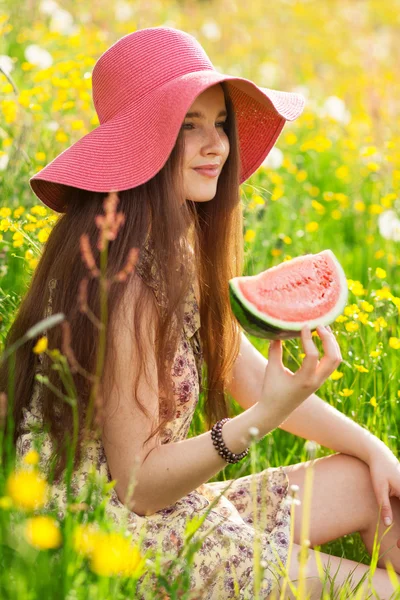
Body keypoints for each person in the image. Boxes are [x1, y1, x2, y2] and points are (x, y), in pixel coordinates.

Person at [1, 26, 399, 600]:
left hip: (169, 509)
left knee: (375, 485)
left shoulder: (173, 249)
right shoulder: (124, 282)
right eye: (189, 127)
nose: (217, 146)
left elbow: (246, 372)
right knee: (378, 593)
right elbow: (138, 487)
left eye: (219, 124)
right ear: (144, 143)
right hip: (109, 538)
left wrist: (376, 449)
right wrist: (263, 416)